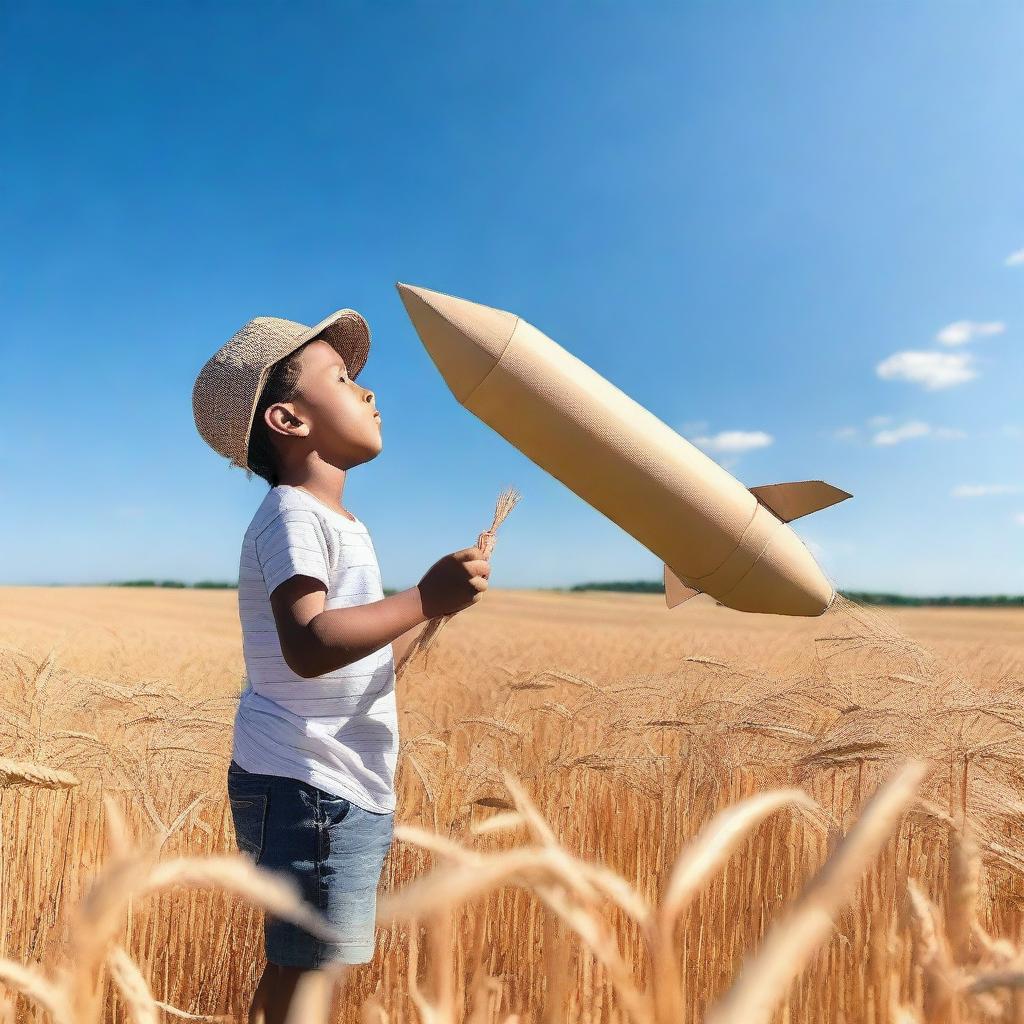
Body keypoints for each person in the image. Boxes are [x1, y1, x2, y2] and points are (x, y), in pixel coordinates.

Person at [191, 307, 490, 1023]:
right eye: (345, 379)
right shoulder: (294, 513)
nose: (368, 392)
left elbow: (355, 652)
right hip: (310, 782)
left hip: (328, 780)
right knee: (311, 974)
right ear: (289, 421)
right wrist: (421, 594)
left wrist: (431, 610)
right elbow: (311, 643)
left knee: (302, 968)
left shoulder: (331, 522)